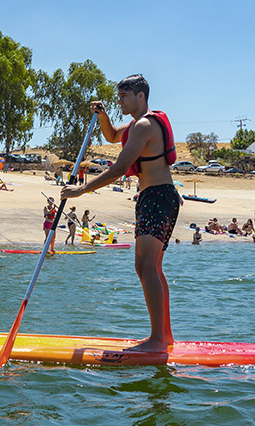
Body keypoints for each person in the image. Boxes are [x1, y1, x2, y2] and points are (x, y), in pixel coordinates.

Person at [61, 74, 180, 353]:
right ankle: (165, 336)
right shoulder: (137, 125)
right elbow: (113, 135)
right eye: (118, 98)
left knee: (145, 267)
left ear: (141, 96)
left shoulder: (144, 125)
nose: (120, 102)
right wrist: (103, 116)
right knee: (153, 268)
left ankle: (157, 341)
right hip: (160, 197)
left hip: (157, 197)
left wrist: (81, 190)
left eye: (125, 97)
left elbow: (117, 169)